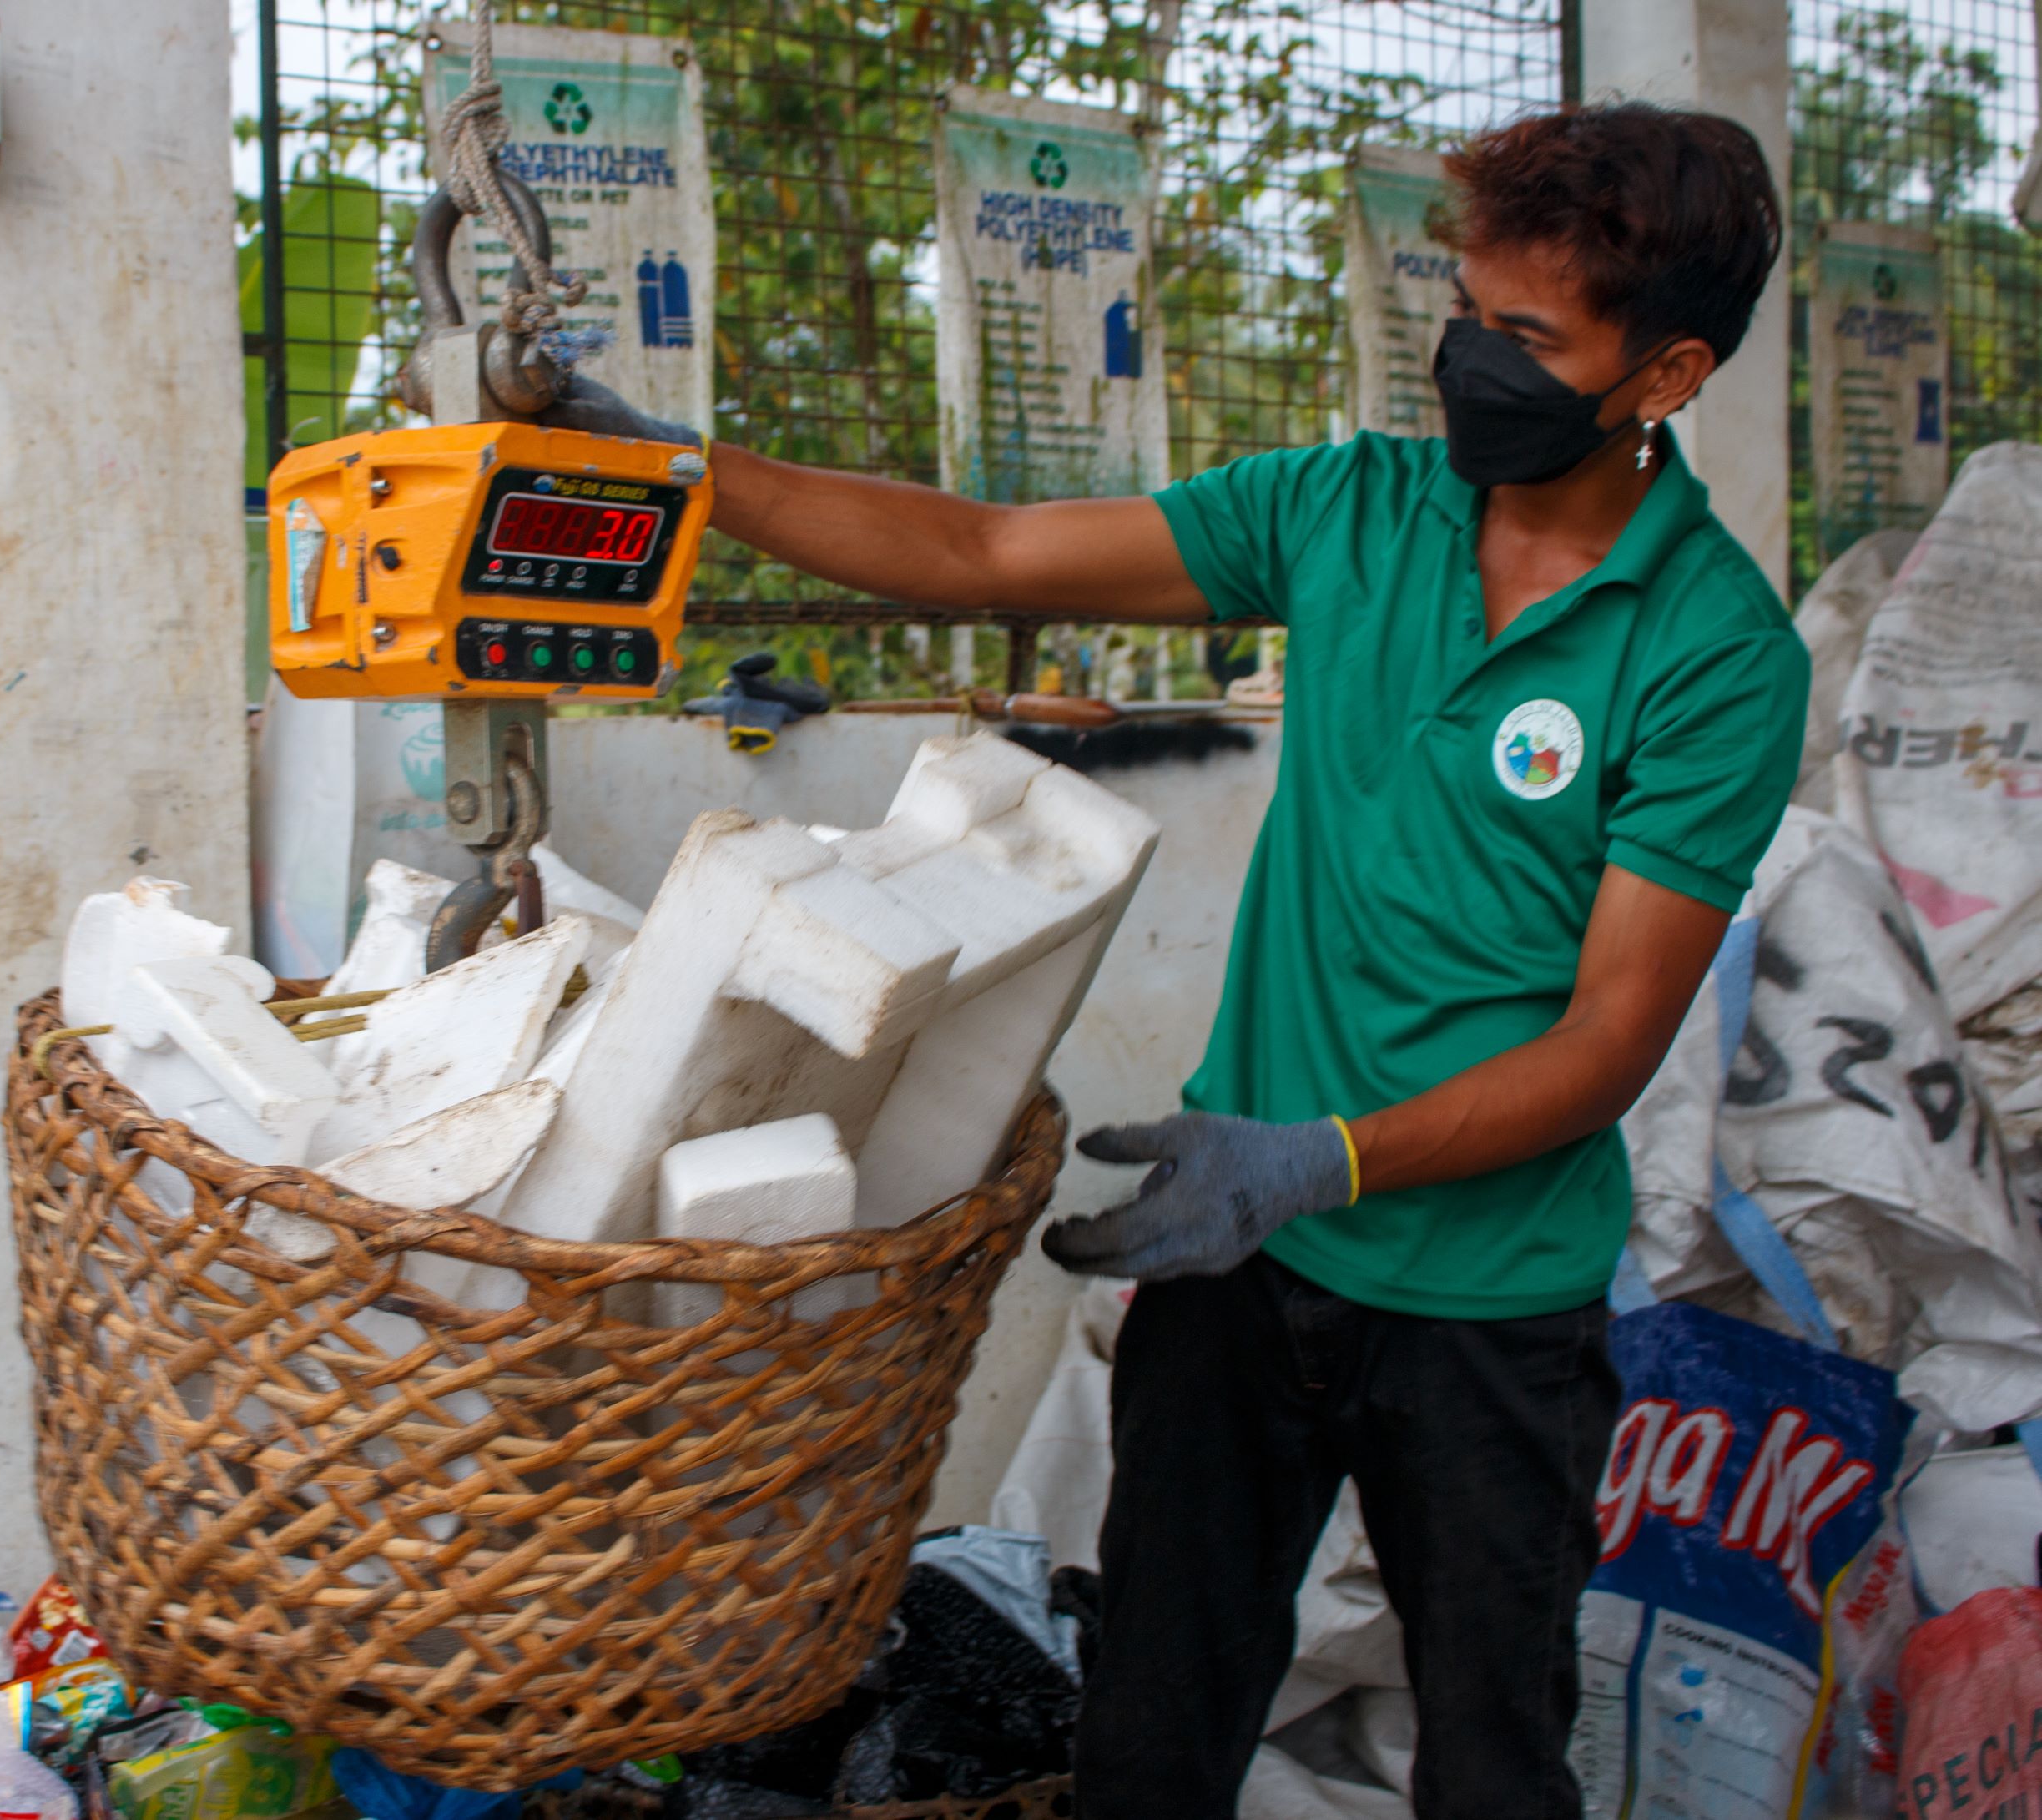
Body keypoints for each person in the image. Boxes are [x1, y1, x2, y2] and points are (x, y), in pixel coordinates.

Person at [552, 102, 1807, 1817]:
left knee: (1496, 1754)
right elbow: (978, 550)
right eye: (1464, 310)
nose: (1465, 363)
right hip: (1232, 1267)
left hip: (1487, 1305)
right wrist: (682, 469)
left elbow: (1604, 1040)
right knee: (1150, 1718)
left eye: (1524, 338)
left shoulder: (1714, 651)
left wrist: (1320, 1159)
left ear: (1661, 376)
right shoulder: (1348, 511)